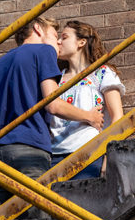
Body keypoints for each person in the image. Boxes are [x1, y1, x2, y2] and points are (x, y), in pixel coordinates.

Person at [0, 16, 104, 220]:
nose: (56, 43)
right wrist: (89, 116)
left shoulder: (1, 62)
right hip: (29, 150)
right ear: (37, 29)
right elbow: (51, 103)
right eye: (55, 35)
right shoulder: (42, 51)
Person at [50, 20, 125, 178]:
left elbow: (118, 118)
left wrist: (109, 158)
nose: (58, 41)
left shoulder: (101, 73)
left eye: (64, 37)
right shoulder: (56, 79)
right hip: (54, 158)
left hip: (89, 154)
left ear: (81, 42)